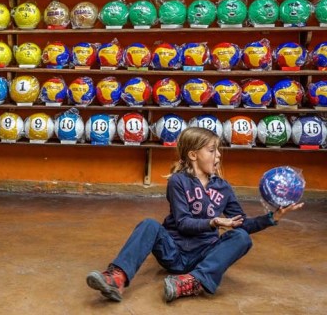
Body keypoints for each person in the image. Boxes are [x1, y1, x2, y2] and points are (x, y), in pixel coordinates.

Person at [86, 127, 304, 303]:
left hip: (203, 256)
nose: (218, 155)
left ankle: (192, 281)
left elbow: (242, 224)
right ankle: (117, 278)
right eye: (212, 150)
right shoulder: (178, 182)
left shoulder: (224, 188)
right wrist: (213, 221)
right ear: (193, 155)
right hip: (173, 252)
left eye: (218, 150)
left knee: (240, 237)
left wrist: (272, 218)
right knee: (149, 225)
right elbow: (182, 223)